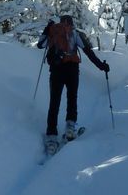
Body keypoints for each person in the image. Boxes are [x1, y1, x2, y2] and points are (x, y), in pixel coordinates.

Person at [37, 14, 109, 151]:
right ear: (72, 23)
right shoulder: (76, 34)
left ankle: (51, 137)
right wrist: (102, 66)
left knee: (54, 102)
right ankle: (70, 129)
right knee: (72, 98)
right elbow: (88, 52)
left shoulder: (53, 32)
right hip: (72, 70)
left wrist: (47, 30)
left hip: (56, 71)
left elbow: (40, 45)